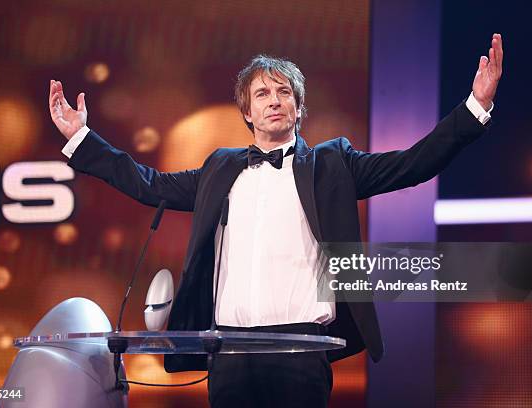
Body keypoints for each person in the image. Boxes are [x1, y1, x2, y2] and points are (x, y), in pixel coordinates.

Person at [49, 33, 503, 408]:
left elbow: (411, 164)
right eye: (262, 93)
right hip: (229, 350)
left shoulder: (332, 164)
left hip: (302, 350)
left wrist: (473, 109)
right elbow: (148, 184)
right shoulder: (218, 168)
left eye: (284, 92)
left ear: (299, 108)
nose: (274, 101)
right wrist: (84, 140)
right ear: (246, 112)